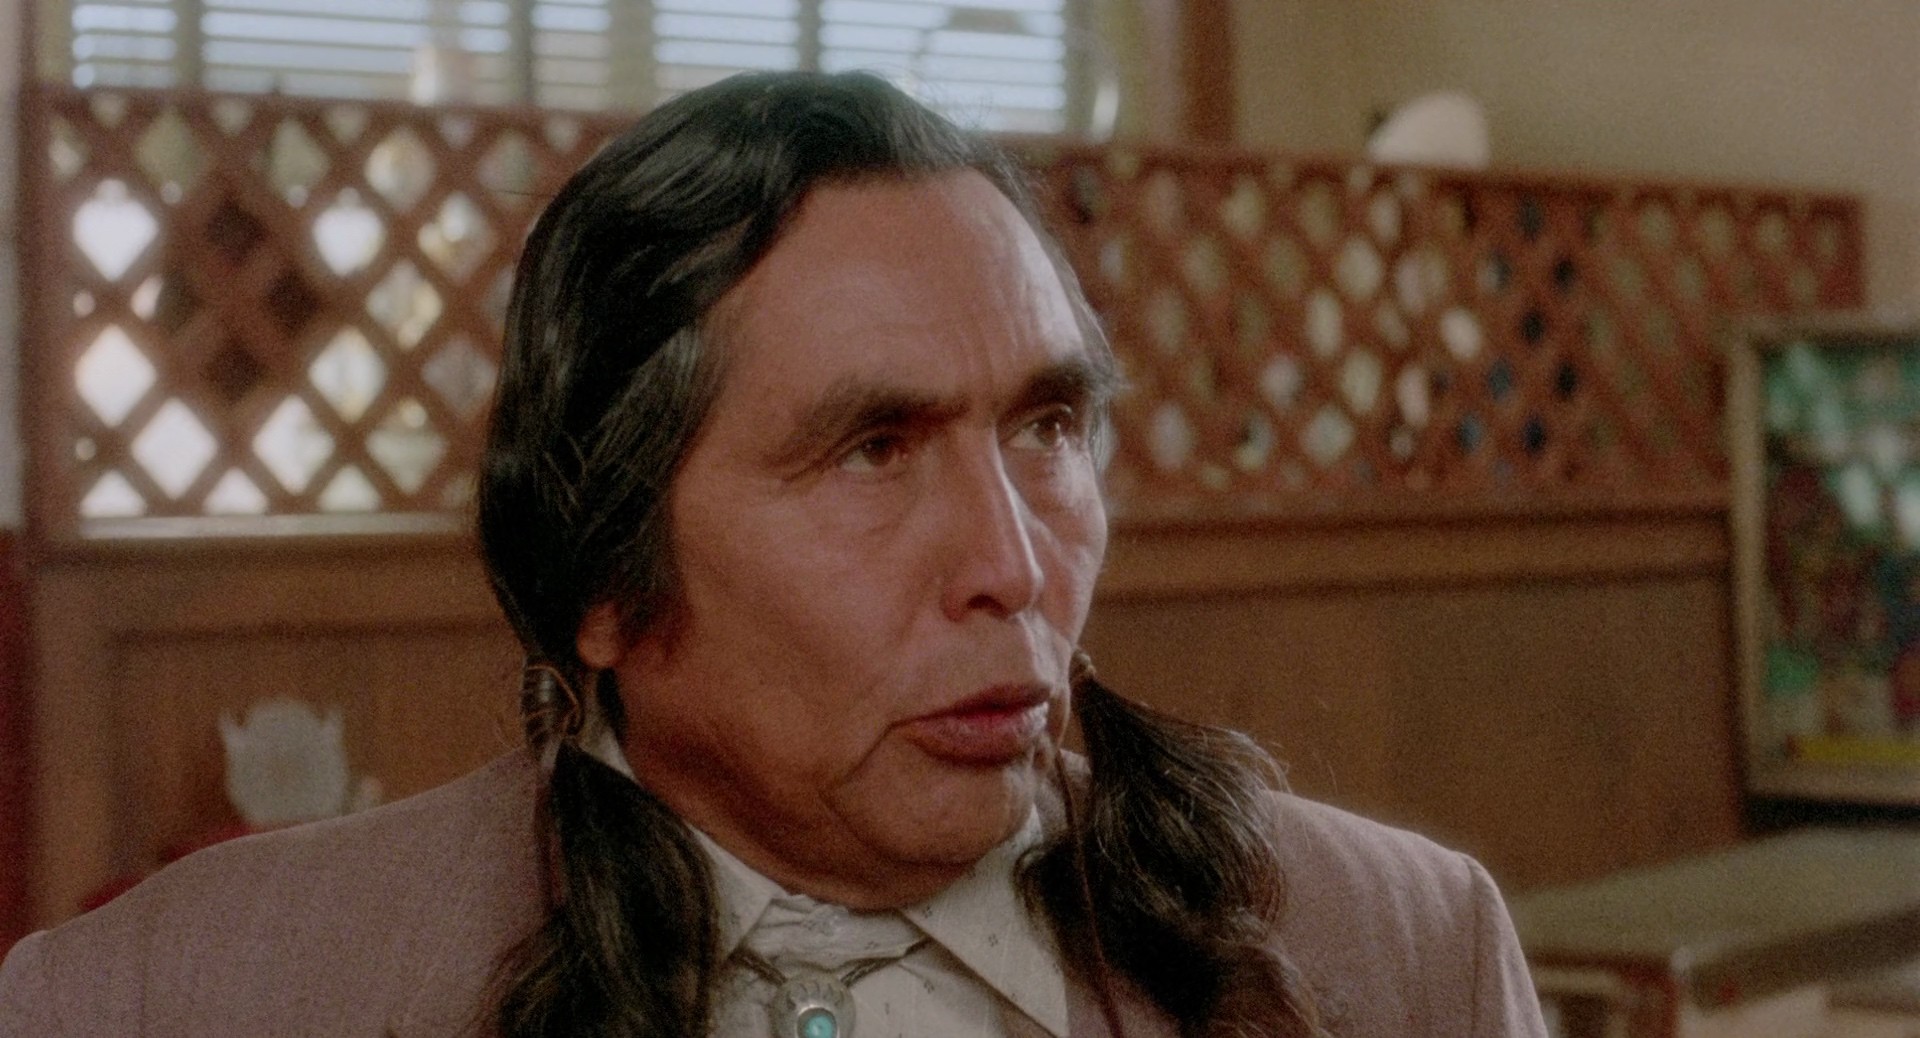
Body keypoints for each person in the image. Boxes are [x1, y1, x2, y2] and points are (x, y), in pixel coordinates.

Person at [0, 71, 1546, 1038]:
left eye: (1048, 428)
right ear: (605, 578)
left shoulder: (1403, 951)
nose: (1012, 565)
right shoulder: (173, 997)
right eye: (874, 450)